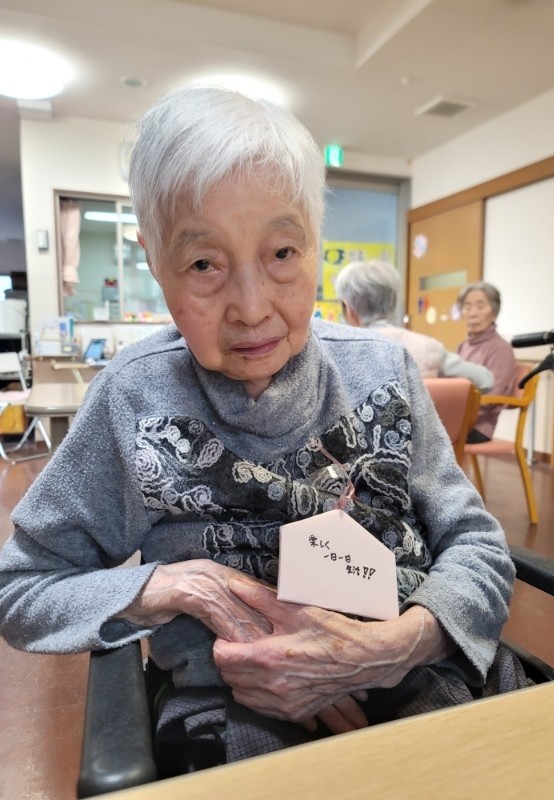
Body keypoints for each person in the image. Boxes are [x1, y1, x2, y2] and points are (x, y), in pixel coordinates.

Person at [0, 87, 525, 771]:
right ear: (155, 264)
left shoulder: (384, 371)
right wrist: (175, 586)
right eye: (203, 264)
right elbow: (23, 589)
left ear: (316, 247)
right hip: (231, 716)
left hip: (424, 676)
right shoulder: (133, 398)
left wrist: (400, 645)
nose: (251, 309)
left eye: (281, 253)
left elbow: (476, 543)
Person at [335, 259, 494, 392]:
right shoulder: (428, 348)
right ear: (393, 303)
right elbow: (486, 380)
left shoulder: (339, 353)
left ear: (348, 309)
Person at [457, 281, 517, 443]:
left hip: (477, 426)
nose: (473, 313)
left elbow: (493, 394)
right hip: (456, 419)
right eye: (467, 307)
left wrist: (453, 405)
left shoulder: (501, 348)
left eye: (480, 306)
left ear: (494, 312)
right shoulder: (463, 346)